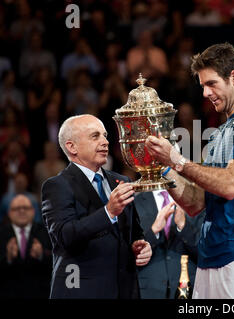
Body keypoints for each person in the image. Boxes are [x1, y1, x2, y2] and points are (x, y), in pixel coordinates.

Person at [145, 42, 234, 299]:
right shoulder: (219, 134)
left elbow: (230, 185)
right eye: (202, 86)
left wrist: (176, 160)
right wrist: (162, 167)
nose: (205, 93)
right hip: (210, 254)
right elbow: (195, 202)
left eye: (212, 84)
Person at [41, 114, 152, 299]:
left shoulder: (122, 181)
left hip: (125, 290)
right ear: (71, 146)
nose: (105, 142)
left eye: (105, 135)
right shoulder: (57, 186)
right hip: (81, 291)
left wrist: (140, 245)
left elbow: (134, 232)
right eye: (95, 136)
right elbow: (65, 235)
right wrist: (108, 212)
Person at [134, 190, 204, 298]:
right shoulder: (135, 201)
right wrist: (154, 231)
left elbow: (204, 251)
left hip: (188, 287)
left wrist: (183, 226)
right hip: (149, 290)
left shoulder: (194, 200)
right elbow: (128, 251)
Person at [0, 194, 52, 298]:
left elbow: (56, 265)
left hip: (39, 293)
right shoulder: (1, 233)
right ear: (9, 213)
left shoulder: (47, 233)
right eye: (17, 208)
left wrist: (42, 255)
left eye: (26, 208)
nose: (22, 211)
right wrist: (8, 259)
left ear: (33, 211)